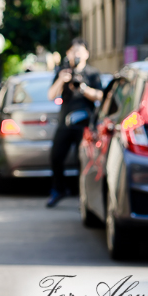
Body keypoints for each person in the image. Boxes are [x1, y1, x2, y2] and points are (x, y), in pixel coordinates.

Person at [45, 38, 103, 208]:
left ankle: (83, 195)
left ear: (86, 54)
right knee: (56, 157)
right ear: (68, 54)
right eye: (73, 51)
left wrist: (84, 89)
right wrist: (61, 80)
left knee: (82, 161)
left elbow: (100, 96)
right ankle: (58, 189)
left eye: (79, 51)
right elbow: (51, 96)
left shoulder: (92, 73)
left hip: (85, 124)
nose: (76, 54)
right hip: (65, 123)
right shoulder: (63, 73)